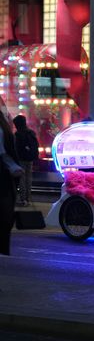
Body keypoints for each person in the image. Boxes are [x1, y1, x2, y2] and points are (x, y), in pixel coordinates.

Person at [0, 109, 23, 255]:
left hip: (3, 174)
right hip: (6, 178)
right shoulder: (4, 127)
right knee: (4, 216)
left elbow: (2, 154)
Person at [12, 114, 39, 206]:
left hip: (21, 159)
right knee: (29, 179)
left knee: (22, 179)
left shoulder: (17, 134)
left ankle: (23, 200)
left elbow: (15, 148)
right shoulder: (31, 133)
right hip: (30, 158)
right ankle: (28, 198)